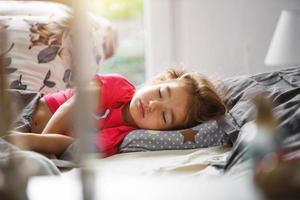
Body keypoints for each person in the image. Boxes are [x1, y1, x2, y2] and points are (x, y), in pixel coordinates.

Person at [4, 68, 226, 157]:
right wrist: (36, 141)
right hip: (25, 107)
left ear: (166, 131)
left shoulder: (122, 137)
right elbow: (72, 107)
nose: (153, 105)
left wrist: (35, 146)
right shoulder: (119, 87)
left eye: (165, 116)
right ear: (159, 80)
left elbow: (69, 144)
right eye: (160, 92)